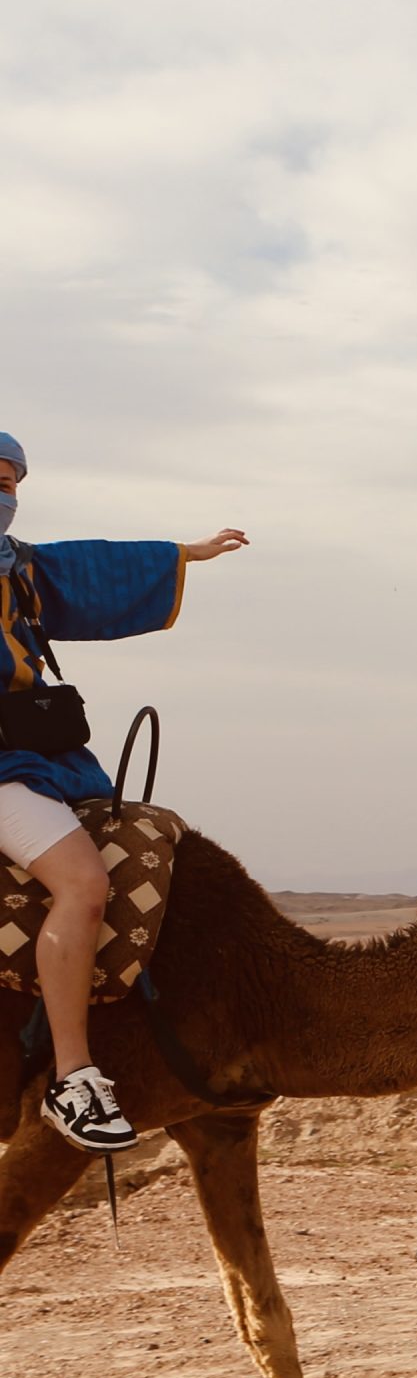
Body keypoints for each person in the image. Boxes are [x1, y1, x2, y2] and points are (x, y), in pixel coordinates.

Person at [0, 431, 249, 1150]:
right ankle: (73, 1079)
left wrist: (181, 556)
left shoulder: (18, 570)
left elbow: (91, 567)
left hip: (35, 761)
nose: (6, 495)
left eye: (13, 482)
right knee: (82, 882)